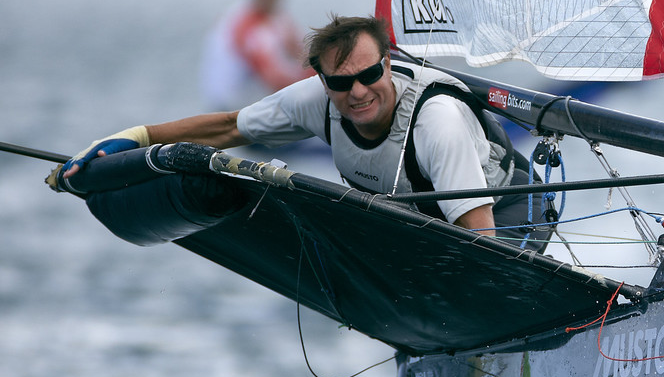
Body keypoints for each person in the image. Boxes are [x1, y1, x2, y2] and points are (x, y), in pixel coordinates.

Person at [50, 15, 510, 233]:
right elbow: (227, 128)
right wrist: (137, 137)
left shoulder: (438, 124)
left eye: (370, 75)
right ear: (321, 80)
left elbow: (483, 239)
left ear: (388, 65)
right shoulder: (313, 100)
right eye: (340, 82)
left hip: (503, 218)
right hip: (421, 224)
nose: (357, 92)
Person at [199, 0, 306, 111]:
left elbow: (301, 52)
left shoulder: (276, 18)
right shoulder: (245, 23)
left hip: (247, 99)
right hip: (228, 105)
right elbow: (271, 76)